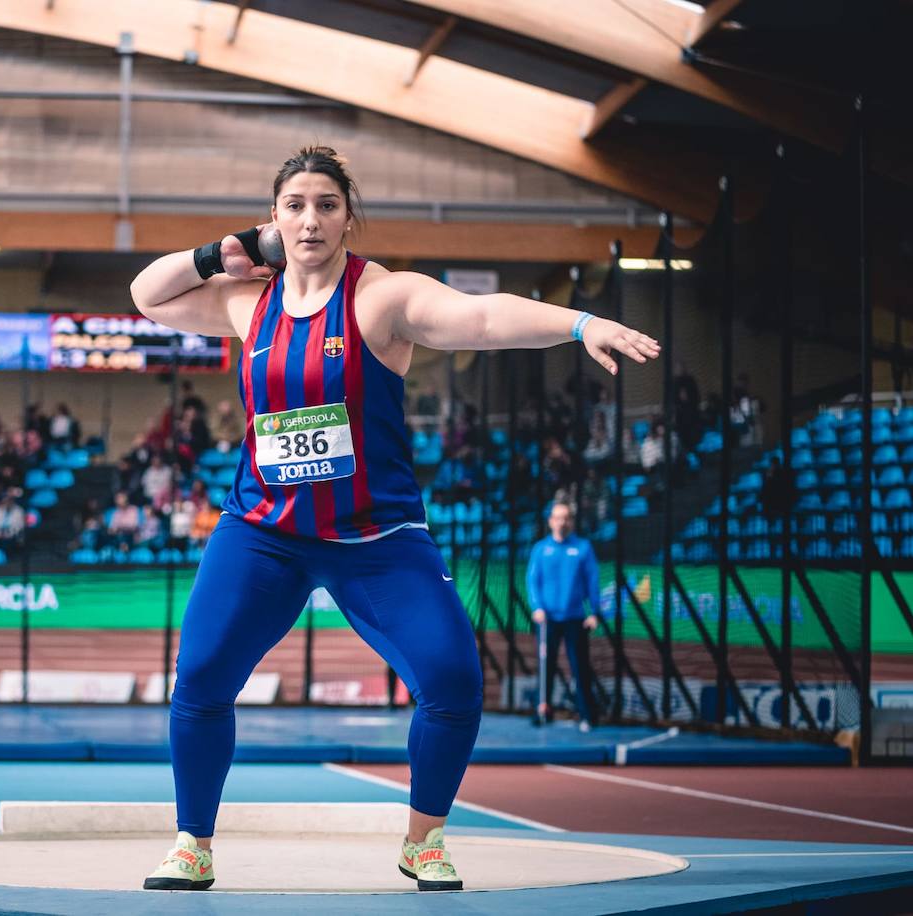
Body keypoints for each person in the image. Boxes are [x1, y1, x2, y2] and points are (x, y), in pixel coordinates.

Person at [129, 145, 659, 892]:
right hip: (264, 532)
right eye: (295, 206)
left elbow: (480, 316)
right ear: (274, 218)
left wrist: (581, 325)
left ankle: (424, 840)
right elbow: (148, 294)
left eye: (326, 205)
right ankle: (193, 843)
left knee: (452, 680)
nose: (310, 219)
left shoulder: (381, 298)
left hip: (375, 538)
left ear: (349, 216)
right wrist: (230, 252)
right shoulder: (248, 300)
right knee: (202, 675)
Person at [527, 502, 601, 732]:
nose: (562, 522)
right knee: (545, 666)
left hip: (574, 618)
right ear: (550, 521)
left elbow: (592, 581)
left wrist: (595, 613)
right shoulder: (540, 549)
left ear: (571, 521)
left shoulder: (583, 548)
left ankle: (587, 715)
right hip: (547, 620)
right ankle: (543, 711)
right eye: (557, 517)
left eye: (566, 518)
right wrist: (537, 607)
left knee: (580, 667)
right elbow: (532, 581)